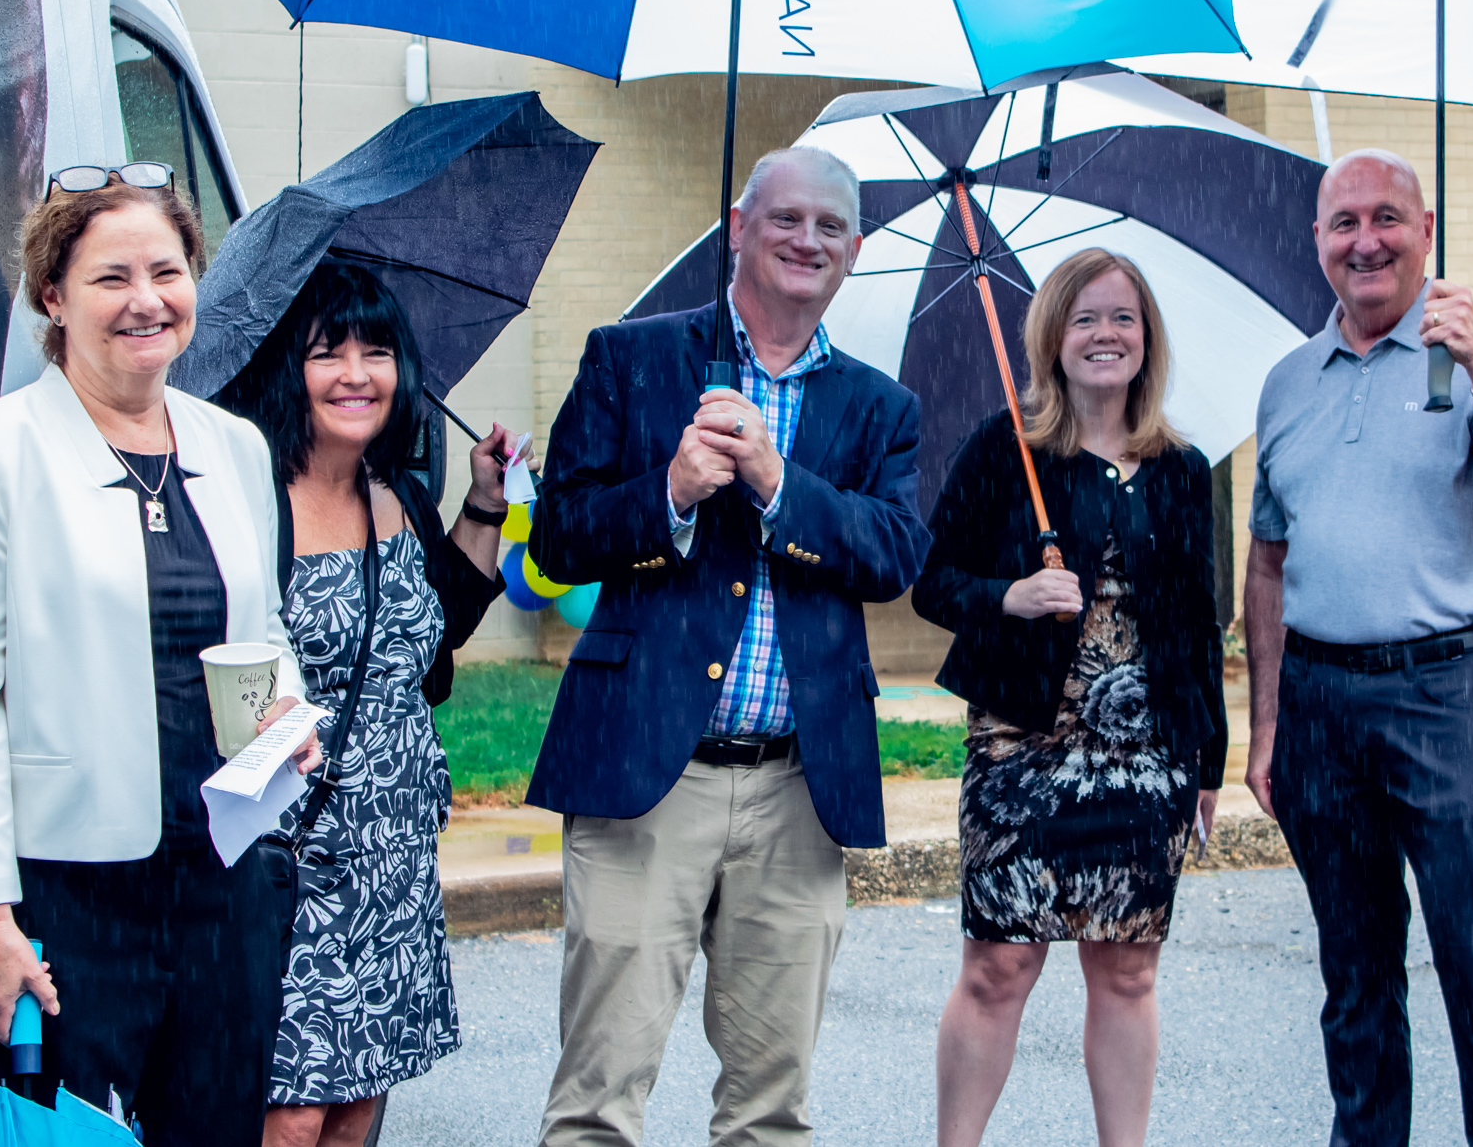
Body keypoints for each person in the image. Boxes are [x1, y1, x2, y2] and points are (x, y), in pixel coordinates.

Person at [526, 145, 930, 1146]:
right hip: (644, 776)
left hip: (801, 787)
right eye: (784, 218)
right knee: (597, 1098)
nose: (806, 240)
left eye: (829, 226)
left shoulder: (881, 408)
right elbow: (560, 534)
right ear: (740, 227)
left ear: (854, 250)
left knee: (768, 1107)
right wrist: (667, 491)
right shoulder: (631, 358)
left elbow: (891, 555)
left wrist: (776, 480)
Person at [0, 165, 318, 1143]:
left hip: (223, 886)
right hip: (67, 897)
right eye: (110, 278)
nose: (146, 300)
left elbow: (258, 635)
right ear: (53, 296)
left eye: (167, 272)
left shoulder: (236, 447)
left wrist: (284, 723)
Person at [1242, 149, 1473, 1147]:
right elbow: (1265, 563)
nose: (1364, 239)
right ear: (1316, 242)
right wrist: (1263, 725)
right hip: (1317, 703)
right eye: (1342, 222)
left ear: (1424, 231)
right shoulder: (1287, 380)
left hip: (1446, 691)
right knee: (1354, 969)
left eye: (1386, 217)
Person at [915, 248, 1227, 1147]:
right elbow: (930, 578)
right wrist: (1006, 596)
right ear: (1053, 337)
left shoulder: (1180, 467)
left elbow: (1200, 624)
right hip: (1024, 749)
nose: (1105, 334)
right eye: (1085, 317)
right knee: (999, 964)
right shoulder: (1005, 447)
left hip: (1148, 756)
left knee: (1128, 969)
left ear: (1147, 337)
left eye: (1123, 317)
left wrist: (1207, 761)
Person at [216, 260, 524, 1147]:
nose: (357, 372)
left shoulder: (399, 497)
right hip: (297, 856)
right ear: (288, 368)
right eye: (330, 352)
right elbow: (231, 687)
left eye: (377, 350)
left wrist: (483, 502)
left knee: (359, 1104)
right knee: (292, 1108)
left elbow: (436, 636)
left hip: (394, 850)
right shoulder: (251, 508)